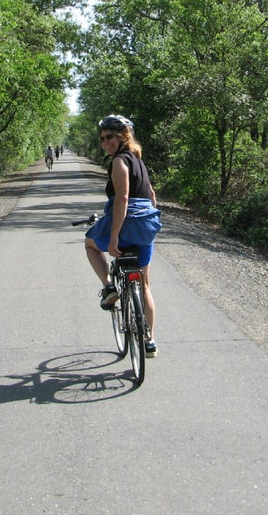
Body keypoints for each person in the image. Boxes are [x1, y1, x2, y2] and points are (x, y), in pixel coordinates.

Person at [84, 114, 162, 357]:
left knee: (90, 244)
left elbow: (123, 199)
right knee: (145, 284)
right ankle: (149, 341)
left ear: (123, 137)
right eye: (102, 138)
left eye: (110, 137)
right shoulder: (139, 161)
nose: (105, 142)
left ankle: (109, 287)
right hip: (145, 228)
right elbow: (151, 196)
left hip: (126, 229)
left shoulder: (119, 162)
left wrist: (115, 236)